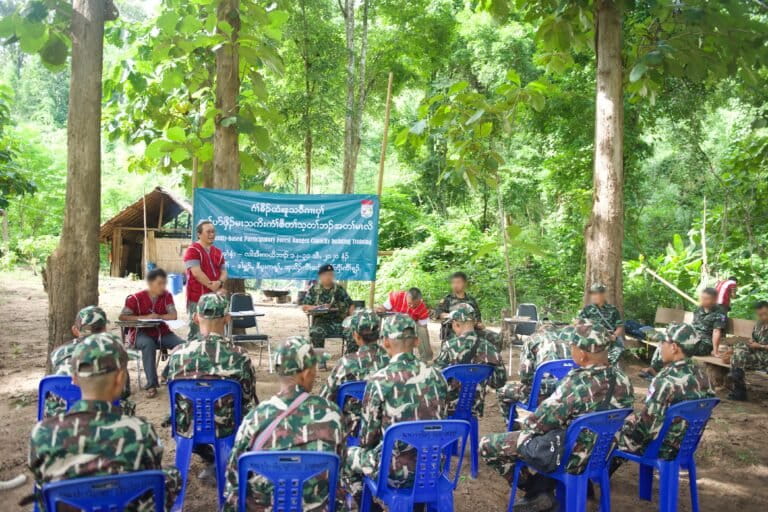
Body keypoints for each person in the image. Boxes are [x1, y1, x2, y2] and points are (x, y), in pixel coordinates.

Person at [480, 327, 634, 512]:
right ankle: (543, 490)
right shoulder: (623, 380)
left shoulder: (576, 382)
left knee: (487, 445)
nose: (570, 349)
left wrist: (527, 422)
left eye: (572, 346)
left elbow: (540, 421)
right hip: (603, 454)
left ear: (583, 355)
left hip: (568, 456)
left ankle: (536, 492)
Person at [26, 333, 181, 511]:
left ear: (74, 378)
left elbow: (41, 479)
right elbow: (149, 479)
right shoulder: (141, 431)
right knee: (171, 476)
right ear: (120, 379)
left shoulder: (42, 433)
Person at [221, 336, 344, 512]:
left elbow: (234, 475)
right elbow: (341, 467)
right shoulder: (332, 414)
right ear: (306, 373)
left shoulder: (255, 418)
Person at [345, 314, 449, 503]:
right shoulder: (438, 376)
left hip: (394, 472)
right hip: (433, 467)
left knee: (347, 455)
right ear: (416, 341)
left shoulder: (379, 381)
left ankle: (365, 503)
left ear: (385, 343)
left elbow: (367, 439)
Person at [163, 293, 258, 485]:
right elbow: (247, 398)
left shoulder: (177, 355)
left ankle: (211, 459)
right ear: (227, 319)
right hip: (227, 427)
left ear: (196, 317)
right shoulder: (240, 357)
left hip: (187, 425)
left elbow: (170, 391)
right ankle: (228, 463)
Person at [618, 323, 714, 458]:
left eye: (662, 342)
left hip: (660, 449)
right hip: (686, 446)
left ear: (674, 347)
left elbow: (647, 430)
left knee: (610, 433)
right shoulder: (704, 377)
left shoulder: (664, 380)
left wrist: (627, 424)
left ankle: (594, 477)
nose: (660, 346)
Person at [46, 306, 135, 417]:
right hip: (104, 415)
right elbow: (124, 392)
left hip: (63, 415)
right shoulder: (112, 351)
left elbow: (51, 387)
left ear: (75, 330)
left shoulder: (57, 353)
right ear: (104, 329)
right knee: (127, 404)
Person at [320, 309, 389, 435]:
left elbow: (325, 400)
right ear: (379, 334)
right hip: (383, 431)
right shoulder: (391, 361)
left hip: (352, 430)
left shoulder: (345, 364)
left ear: (356, 336)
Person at [119, 267, 185, 397]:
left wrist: (158, 316)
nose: (163, 286)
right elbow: (122, 317)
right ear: (150, 283)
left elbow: (173, 315)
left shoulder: (167, 296)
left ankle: (166, 374)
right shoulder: (135, 299)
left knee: (183, 346)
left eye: (164, 283)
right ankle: (151, 384)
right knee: (148, 344)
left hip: (162, 332)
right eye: (159, 283)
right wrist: (144, 317)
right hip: (140, 334)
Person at [433, 303, 507, 417]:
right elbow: (500, 381)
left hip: (448, 407)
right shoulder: (489, 347)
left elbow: (436, 378)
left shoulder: (449, 346)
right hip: (474, 406)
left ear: (456, 324)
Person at [640, 288, 727, 379]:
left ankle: (662, 373)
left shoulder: (720, 313)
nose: (703, 300)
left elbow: (717, 331)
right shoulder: (699, 309)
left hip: (704, 343)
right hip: (692, 338)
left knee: (674, 346)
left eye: (706, 299)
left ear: (714, 300)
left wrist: (715, 351)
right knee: (665, 342)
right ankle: (655, 369)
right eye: (702, 298)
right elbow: (693, 326)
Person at [496, 322, 570, 421]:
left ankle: (513, 427)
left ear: (538, 329)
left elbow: (525, 377)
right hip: (568, 393)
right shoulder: (569, 339)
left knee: (502, 391)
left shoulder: (532, 339)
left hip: (541, 395)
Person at [184, 220, 228, 340]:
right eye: (208, 232)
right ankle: (192, 357)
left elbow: (224, 272)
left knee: (217, 335)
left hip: (216, 299)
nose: (212, 234)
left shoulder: (218, 252)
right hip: (197, 299)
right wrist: (211, 286)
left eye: (213, 232)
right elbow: (196, 273)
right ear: (199, 234)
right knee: (196, 334)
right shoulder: (192, 250)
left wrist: (219, 283)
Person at [301, 264, 355, 352]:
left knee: (353, 333)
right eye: (327, 274)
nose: (329, 277)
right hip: (321, 323)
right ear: (320, 276)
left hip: (339, 322)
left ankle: (349, 359)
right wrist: (318, 307)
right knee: (315, 332)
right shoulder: (314, 290)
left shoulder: (339, 289)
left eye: (331, 274)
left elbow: (351, 304)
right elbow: (305, 307)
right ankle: (320, 360)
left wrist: (350, 319)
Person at [376, 287, 432, 361]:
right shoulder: (397, 297)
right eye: (409, 303)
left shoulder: (422, 307)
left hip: (409, 328)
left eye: (414, 305)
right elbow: (383, 308)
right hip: (394, 325)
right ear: (406, 296)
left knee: (422, 330)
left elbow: (423, 325)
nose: (411, 306)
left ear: (420, 300)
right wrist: (380, 310)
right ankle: (387, 358)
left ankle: (426, 359)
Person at [727, 300, 768, 401]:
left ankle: (739, 391)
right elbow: (754, 339)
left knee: (736, 357)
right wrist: (752, 342)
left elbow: (759, 344)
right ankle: (737, 383)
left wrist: (759, 346)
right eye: (760, 315)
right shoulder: (759, 325)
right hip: (758, 354)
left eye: (765, 314)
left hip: (765, 357)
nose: (763, 317)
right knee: (739, 347)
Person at [579, 283, 625, 365]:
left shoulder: (612, 310)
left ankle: (609, 369)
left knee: (617, 351)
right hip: (592, 341)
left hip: (609, 339)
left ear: (603, 294)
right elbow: (579, 325)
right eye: (592, 294)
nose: (594, 296)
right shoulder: (587, 310)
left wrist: (614, 336)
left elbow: (620, 327)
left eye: (596, 293)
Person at [433, 271, 483, 342]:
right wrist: (451, 315)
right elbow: (437, 313)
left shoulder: (471, 300)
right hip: (451, 332)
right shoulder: (447, 299)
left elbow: (477, 318)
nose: (455, 285)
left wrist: (479, 324)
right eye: (453, 283)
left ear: (465, 284)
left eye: (458, 282)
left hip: (469, 332)